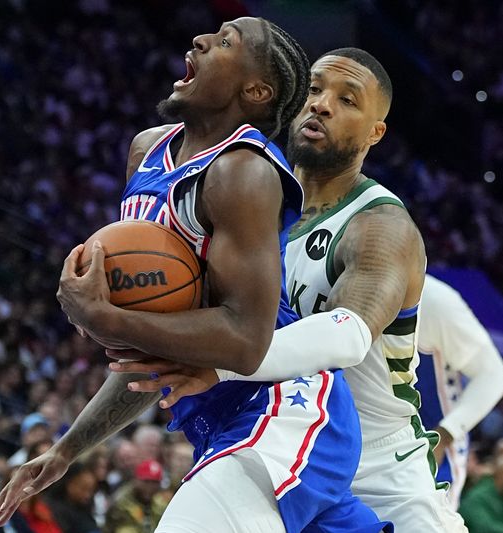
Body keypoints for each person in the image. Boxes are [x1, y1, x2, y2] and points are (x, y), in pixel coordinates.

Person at [0, 17, 387, 533]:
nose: (200, 40)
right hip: (220, 425)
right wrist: (66, 450)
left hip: (284, 411)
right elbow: (160, 355)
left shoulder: (244, 171)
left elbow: (245, 340)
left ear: (256, 90)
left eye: (225, 43)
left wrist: (105, 318)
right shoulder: (146, 153)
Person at [111, 47, 465, 531]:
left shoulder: (381, 225)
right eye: (315, 89)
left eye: (347, 100)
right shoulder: (251, 200)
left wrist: (219, 363)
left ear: (375, 132)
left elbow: (345, 336)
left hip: (379, 472)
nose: (321, 104)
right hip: (279, 436)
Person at [415, 274, 503, 507]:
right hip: (365, 443)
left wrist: (445, 433)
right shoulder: (334, 280)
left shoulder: (435, 300)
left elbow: (493, 374)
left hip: (431, 450)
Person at [104, 459, 169, 533]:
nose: (150, 486)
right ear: (136, 480)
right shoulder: (121, 502)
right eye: (146, 481)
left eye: (155, 482)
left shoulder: (161, 503)